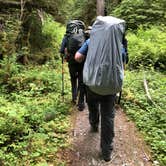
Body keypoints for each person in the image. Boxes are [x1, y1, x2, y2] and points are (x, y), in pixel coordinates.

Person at [75, 32, 128, 162]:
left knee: (92, 105)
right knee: (108, 116)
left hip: (92, 84)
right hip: (110, 87)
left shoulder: (90, 42)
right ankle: (106, 152)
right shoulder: (118, 45)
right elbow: (123, 62)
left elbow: (77, 57)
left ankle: (94, 124)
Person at [60, 30, 86, 111]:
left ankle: (74, 98)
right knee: (81, 81)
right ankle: (81, 103)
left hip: (71, 61)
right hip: (82, 61)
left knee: (73, 79)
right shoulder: (84, 35)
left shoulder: (67, 36)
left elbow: (61, 50)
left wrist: (64, 55)